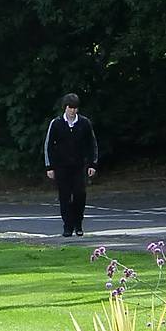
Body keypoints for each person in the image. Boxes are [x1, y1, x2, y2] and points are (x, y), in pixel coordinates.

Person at [43, 93, 99, 237]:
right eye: (70, 108)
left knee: (80, 194)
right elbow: (48, 145)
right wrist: (49, 167)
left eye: (75, 108)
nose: (73, 111)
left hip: (79, 166)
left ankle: (78, 224)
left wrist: (93, 164)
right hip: (62, 166)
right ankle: (67, 226)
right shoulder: (56, 123)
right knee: (65, 196)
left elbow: (92, 144)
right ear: (65, 107)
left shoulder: (84, 123)